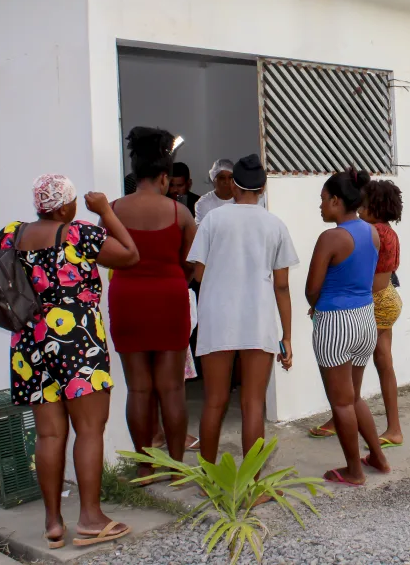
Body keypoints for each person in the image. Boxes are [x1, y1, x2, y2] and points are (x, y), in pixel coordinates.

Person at [0, 175, 139, 549]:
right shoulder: (77, 234)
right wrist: (105, 210)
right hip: (77, 341)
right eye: (72, 202)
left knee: (49, 434)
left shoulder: (13, 234)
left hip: (29, 342)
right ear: (62, 207)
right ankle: (90, 518)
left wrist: (1, 313)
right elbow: (129, 254)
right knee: (89, 429)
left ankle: (53, 523)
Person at [187, 154, 296, 464]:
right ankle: (251, 487)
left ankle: (208, 480)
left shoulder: (212, 220)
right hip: (257, 319)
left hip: (217, 319)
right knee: (252, 404)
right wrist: (287, 337)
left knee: (214, 403)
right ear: (262, 189)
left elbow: (198, 274)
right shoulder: (274, 225)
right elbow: (282, 286)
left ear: (233, 186)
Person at [107, 128, 197, 481]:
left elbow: (107, 256)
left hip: (127, 299)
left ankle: (145, 466)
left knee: (139, 388)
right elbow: (191, 262)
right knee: (172, 388)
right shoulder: (180, 213)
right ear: (164, 176)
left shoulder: (113, 210)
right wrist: (175, 281)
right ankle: (176, 469)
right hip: (170, 297)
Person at [306, 168, 391, 486]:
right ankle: (378, 457)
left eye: (323, 200)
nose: (321, 205)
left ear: (337, 200)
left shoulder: (331, 237)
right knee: (354, 397)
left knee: (341, 402)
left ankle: (354, 471)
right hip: (364, 319)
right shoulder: (370, 232)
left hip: (335, 322)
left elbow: (312, 287)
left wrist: (314, 304)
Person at [194, 158, 268, 224]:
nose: (227, 181)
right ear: (214, 180)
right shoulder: (204, 203)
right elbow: (202, 232)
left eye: (230, 178)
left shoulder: (245, 198)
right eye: (222, 178)